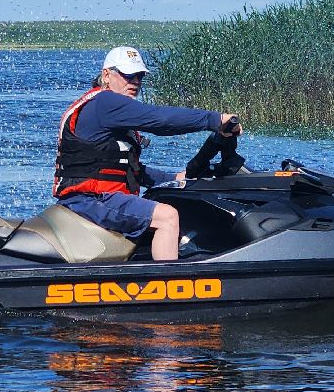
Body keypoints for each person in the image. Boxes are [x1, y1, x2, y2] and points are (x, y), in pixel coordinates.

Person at [54, 46, 240, 261]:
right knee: (167, 217)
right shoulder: (105, 103)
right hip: (89, 200)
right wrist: (214, 120)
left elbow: (127, 170)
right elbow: (160, 119)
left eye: (139, 76)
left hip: (96, 197)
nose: (135, 81)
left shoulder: (109, 112)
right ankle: (170, 286)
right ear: (106, 75)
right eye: (127, 74)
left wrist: (174, 179)